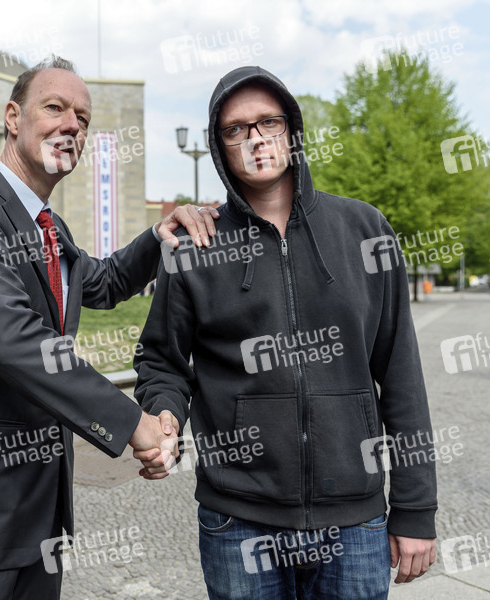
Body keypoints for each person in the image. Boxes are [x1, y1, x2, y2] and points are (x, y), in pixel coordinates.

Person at [0, 55, 218, 599]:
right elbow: (11, 342)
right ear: (13, 117)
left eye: (83, 119)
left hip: (37, 522)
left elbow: (103, 282)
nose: (71, 126)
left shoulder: (49, 227)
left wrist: (160, 234)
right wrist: (133, 423)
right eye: (55, 108)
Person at [133, 65, 437, 599]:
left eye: (268, 122)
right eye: (235, 129)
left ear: (292, 130)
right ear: (219, 145)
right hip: (238, 521)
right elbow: (161, 361)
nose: (255, 138)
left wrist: (415, 507)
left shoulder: (365, 230)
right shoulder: (195, 248)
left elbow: (402, 374)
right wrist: (165, 413)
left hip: (355, 521)